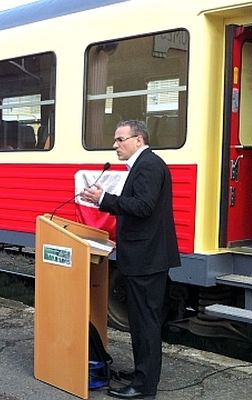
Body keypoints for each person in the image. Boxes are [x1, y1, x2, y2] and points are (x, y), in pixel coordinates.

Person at [80, 120, 180, 399]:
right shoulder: (146, 164)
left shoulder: (148, 165)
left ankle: (145, 386)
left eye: (120, 139)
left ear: (138, 139)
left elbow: (143, 207)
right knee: (141, 321)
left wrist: (105, 200)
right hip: (145, 257)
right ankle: (141, 373)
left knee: (145, 322)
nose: (115, 145)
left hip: (147, 259)